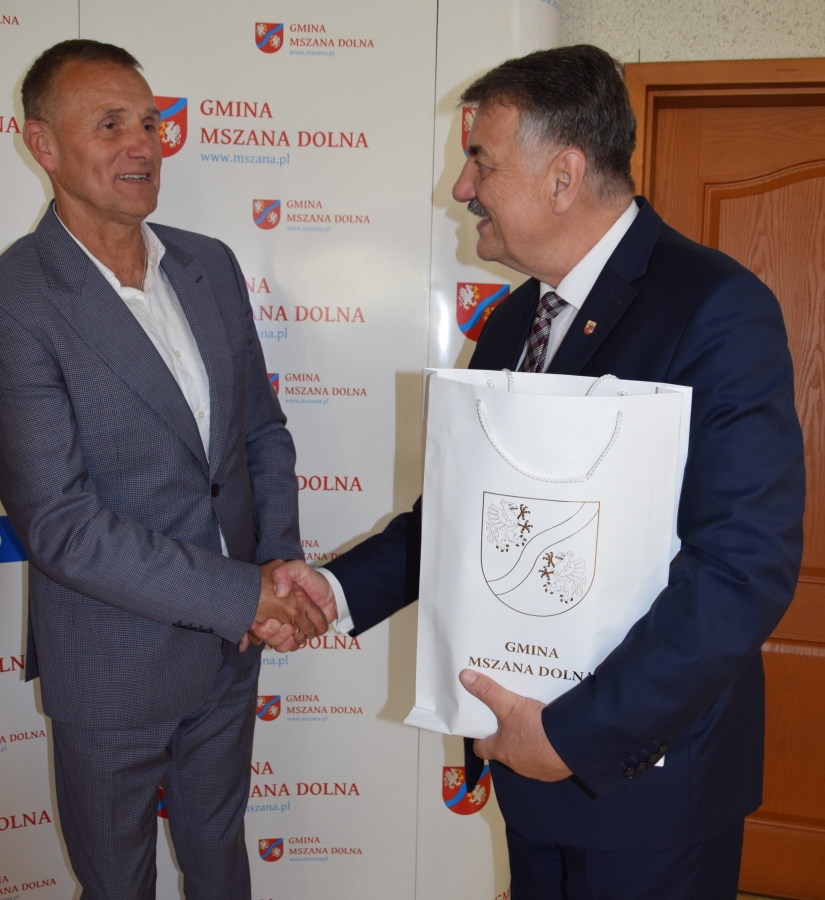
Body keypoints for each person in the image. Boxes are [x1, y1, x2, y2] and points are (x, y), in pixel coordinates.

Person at [260, 45, 805, 899]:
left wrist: (576, 735)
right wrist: (330, 591)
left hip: (647, 786)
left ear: (562, 177)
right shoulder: (515, 320)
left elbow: (742, 565)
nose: (460, 187)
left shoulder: (712, 308)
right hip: (522, 758)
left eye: (480, 160)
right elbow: (462, 522)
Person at [0, 40, 329, 900]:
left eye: (149, 122)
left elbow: (261, 434)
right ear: (42, 145)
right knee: (117, 885)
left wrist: (278, 567)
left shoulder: (208, 263)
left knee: (222, 866)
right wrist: (241, 596)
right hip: (112, 668)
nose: (143, 145)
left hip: (230, 653)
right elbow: (61, 526)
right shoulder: (17, 298)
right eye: (110, 125)